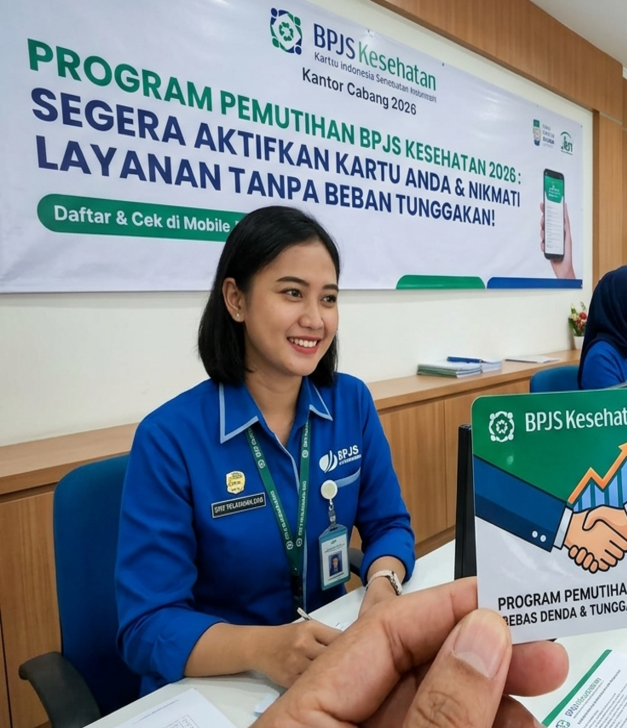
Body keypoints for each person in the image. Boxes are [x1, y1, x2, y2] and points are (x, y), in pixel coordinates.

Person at [116, 206, 416, 694]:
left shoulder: (351, 403)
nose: (315, 319)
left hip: (330, 667)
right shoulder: (169, 438)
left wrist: (383, 584)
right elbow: (147, 626)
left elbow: (390, 526)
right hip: (222, 686)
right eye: (292, 293)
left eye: (328, 298)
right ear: (236, 300)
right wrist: (264, 648)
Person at [213, 579, 569, 728]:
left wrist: (382, 578)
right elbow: (168, 621)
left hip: (347, 636)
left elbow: (390, 524)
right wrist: (255, 646)